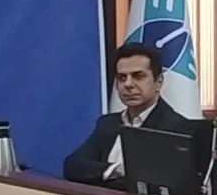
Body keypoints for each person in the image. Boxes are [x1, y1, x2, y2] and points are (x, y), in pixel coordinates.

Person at [64, 42, 193, 184]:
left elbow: (152, 181)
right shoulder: (107, 123)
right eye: (121, 78)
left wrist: (104, 176)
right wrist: (116, 170)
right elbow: (72, 166)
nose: (128, 84)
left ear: (159, 82)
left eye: (138, 76)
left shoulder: (176, 128)